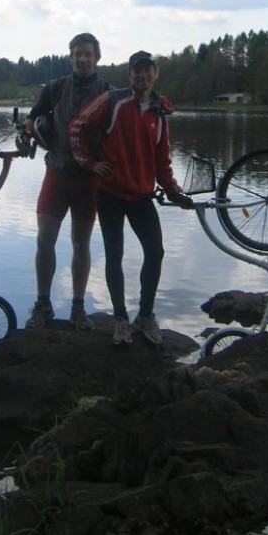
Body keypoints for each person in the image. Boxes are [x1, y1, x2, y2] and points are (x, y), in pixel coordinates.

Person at [69, 50, 193, 346]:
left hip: (141, 196)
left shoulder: (160, 114)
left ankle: (145, 316)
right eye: (137, 71)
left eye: (148, 71)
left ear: (156, 74)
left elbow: (162, 162)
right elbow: (76, 128)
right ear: (130, 74)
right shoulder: (112, 101)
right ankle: (121, 319)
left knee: (156, 252)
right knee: (115, 255)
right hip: (109, 193)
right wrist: (89, 164)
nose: (142, 75)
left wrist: (176, 194)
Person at [24, 33, 111, 330]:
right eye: (78, 54)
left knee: (81, 243)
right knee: (44, 238)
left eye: (88, 54)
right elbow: (31, 120)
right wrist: (37, 130)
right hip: (57, 174)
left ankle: (78, 308)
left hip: (88, 180)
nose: (83, 59)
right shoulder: (55, 88)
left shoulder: (108, 93)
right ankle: (43, 305)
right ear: (71, 57)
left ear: (97, 58)